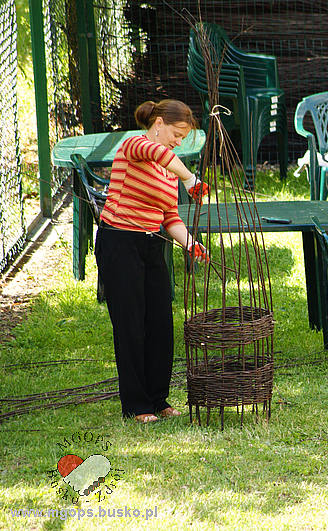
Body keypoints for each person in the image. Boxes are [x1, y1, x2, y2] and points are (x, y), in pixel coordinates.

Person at [95, 99, 209, 423]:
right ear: (158, 123)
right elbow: (159, 154)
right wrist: (190, 179)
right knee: (130, 325)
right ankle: (136, 405)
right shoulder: (134, 145)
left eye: (183, 138)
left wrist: (191, 244)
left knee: (160, 323)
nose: (178, 142)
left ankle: (158, 399)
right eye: (177, 134)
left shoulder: (169, 170)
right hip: (119, 242)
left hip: (151, 243)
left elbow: (170, 216)